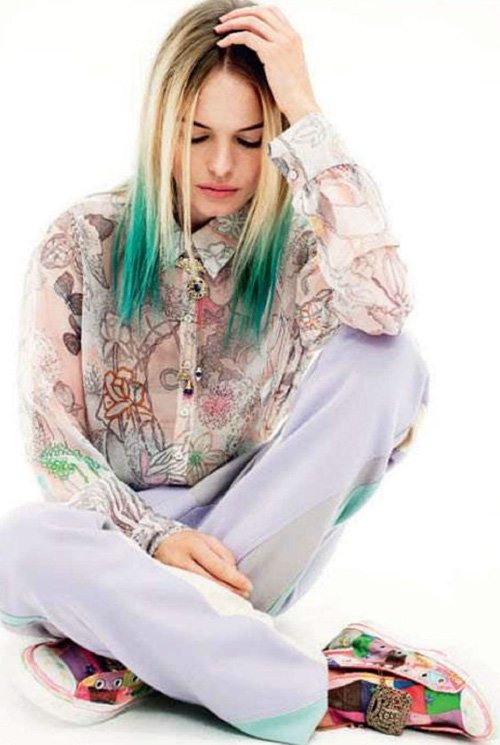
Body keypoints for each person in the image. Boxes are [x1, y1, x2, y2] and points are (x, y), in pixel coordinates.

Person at [0, 1, 493, 743]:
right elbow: (55, 445)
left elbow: (385, 306)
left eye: (252, 139)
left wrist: (306, 110)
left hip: (248, 543)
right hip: (112, 536)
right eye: (196, 136)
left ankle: (130, 642)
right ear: (159, 128)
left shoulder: (299, 252)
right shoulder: (81, 241)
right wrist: (152, 541)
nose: (223, 165)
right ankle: (323, 683)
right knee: (19, 544)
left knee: (388, 361)